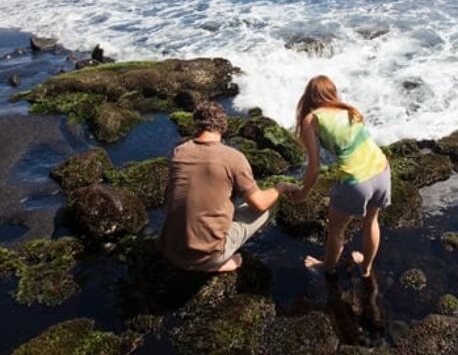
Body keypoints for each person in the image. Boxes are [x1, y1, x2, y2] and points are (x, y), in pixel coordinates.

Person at [159, 100, 295, 273]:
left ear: (196, 124)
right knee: (269, 204)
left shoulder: (179, 151)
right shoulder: (233, 158)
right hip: (205, 257)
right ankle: (222, 261)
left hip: (171, 250)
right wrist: (280, 188)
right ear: (224, 126)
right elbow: (259, 203)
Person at [290, 75, 391, 278]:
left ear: (309, 97)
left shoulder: (312, 119)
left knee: (336, 228)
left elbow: (315, 167)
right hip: (382, 170)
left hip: (356, 181)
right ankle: (367, 269)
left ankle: (326, 268)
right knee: (371, 222)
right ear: (332, 92)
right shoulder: (349, 110)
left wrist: (303, 192)